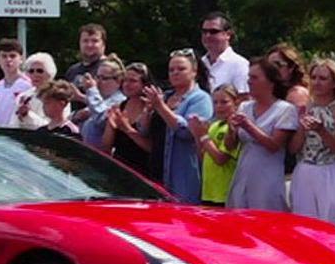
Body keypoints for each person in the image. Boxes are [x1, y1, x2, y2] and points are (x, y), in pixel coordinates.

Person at [224, 58, 299, 212]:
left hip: (268, 177)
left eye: (254, 78)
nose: (249, 82)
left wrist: (249, 126)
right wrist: (231, 129)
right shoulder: (244, 107)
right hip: (243, 173)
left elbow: (274, 146)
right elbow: (230, 146)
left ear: (270, 82)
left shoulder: (285, 110)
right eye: (248, 77)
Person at [287, 59, 335, 228]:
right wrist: (302, 128)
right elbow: (293, 148)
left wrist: (321, 130)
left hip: (333, 169)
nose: (317, 82)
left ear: (334, 83)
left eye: (323, 78)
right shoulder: (306, 105)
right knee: (305, 227)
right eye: (314, 77)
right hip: (306, 169)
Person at [146, 49, 213, 202]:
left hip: (182, 174)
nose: (175, 73)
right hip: (157, 169)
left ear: (194, 71)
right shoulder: (166, 96)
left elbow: (187, 132)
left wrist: (161, 107)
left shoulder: (200, 98)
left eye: (181, 69)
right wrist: (148, 111)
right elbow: (146, 130)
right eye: (171, 70)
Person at [189, 85, 242, 206]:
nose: (219, 107)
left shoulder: (233, 127)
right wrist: (197, 135)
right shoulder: (214, 125)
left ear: (236, 102)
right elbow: (203, 156)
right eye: (215, 102)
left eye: (224, 102)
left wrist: (203, 136)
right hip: (209, 191)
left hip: (224, 192)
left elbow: (221, 158)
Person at [103, 62, 154, 177]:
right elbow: (106, 147)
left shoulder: (151, 108)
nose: (127, 84)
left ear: (145, 84)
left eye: (133, 81)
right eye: (125, 80)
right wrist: (111, 125)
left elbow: (152, 148)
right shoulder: (119, 107)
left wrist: (127, 129)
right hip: (120, 169)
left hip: (144, 171)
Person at [76, 58, 127, 147]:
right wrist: (76, 116)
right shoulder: (100, 99)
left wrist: (91, 90)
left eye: (104, 78)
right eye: (97, 77)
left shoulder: (121, 101)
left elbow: (101, 118)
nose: (98, 82)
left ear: (118, 81)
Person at [199, 12, 249, 92]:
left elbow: (243, 99)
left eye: (213, 31)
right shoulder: (199, 64)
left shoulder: (239, 65)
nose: (207, 35)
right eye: (204, 31)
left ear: (228, 34)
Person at [6, 53, 58, 129]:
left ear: (49, 73)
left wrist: (28, 114)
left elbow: (52, 127)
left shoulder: (58, 96)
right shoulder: (23, 96)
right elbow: (13, 125)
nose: (35, 74)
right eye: (31, 71)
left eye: (39, 71)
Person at [64, 23, 108, 105]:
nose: (89, 45)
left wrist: (80, 97)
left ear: (103, 45)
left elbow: (113, 103)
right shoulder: (72, 70)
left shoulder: (110, 69)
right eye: (85, 41)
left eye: (95, 41)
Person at [0, 38, 31, 127]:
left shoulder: (29, 85)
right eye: (4, 56)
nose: (8, 60)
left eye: (12, 56)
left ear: (21, 59)